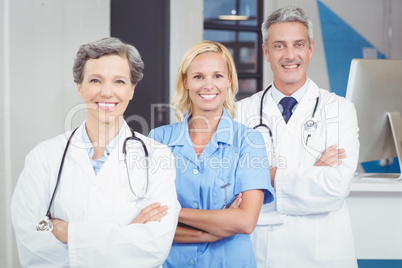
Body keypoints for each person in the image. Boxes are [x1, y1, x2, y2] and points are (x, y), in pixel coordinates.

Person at [11, 37, 180, 268]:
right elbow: (32, 249)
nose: (107, 92)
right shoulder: (44, 157)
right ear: (80, 88)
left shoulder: (157, 157)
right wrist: (127, 235)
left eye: (119, 81)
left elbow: (154, 248)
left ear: (132, 89)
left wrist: (70, 233)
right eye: (95, 80)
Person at [235, 6, 359, 268]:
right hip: (262, 254)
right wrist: (313, 172)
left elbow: (335, 189)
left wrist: (267, 177)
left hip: (323, 254)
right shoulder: (241, 112)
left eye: (298, 45)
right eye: (279, 46)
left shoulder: (339, 110)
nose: (290, 55)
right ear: (266, 52)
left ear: (310, 49)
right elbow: (236, 191)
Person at [149, 40, 274, 267]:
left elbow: (245, 221)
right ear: (185, 81)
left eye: (217, 76)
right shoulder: (159, 140)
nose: (208, 85)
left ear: (229, 81)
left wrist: (174, 211)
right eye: (198, 77)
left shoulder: (249, 141)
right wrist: (214, 229)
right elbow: (149, 223)